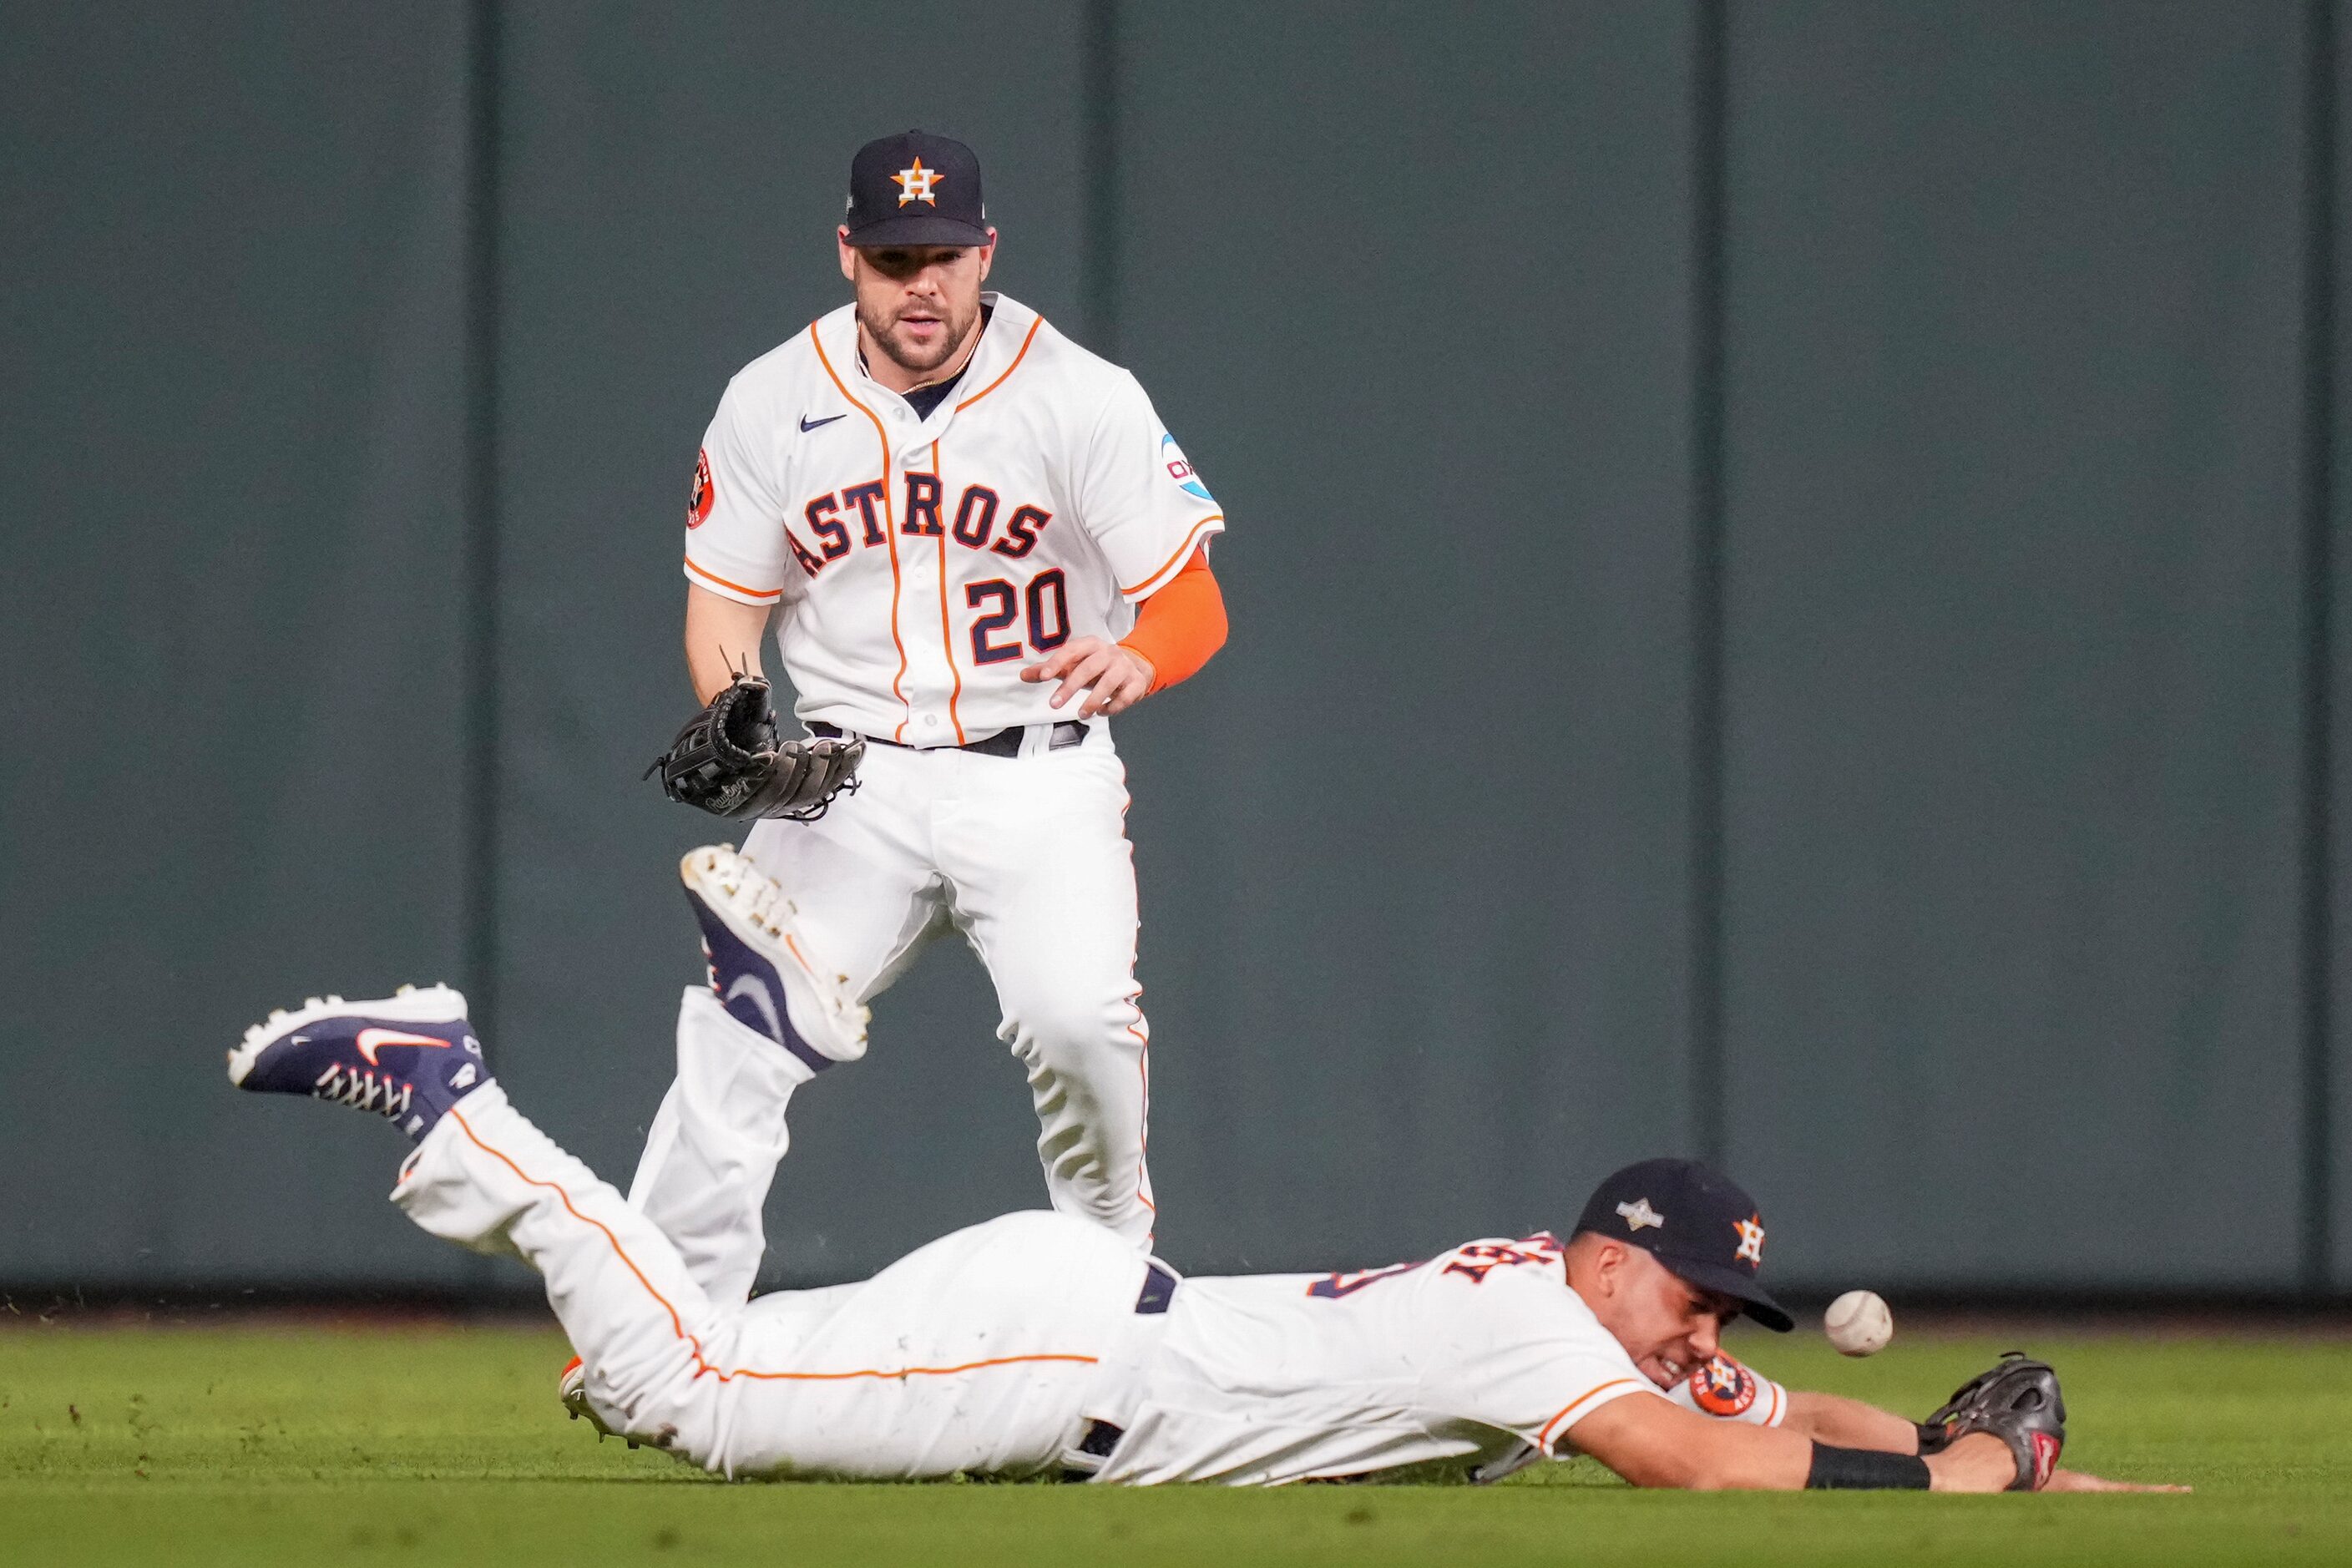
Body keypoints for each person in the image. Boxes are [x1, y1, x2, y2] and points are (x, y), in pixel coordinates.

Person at [227, 848, 2177, 1493]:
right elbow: (1702, 1461)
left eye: (1716, 1312)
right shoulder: (1535, 1330)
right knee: (672, 1385)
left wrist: (1978, 1455)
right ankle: (455, 1100)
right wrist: (1955, 1478)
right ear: (1606, 1261)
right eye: (1688, 1293)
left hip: (1072, 1323)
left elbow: (1769, 1408)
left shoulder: (1573, 1319)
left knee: (663, 1359)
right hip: (1055, 1365)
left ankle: (743, 1032)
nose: (1704, 1332)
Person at [660, 129, 1228, 1252]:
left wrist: (1142, 654)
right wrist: (736, 708)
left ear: (986, 254)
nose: (920, 283)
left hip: (1038, 772)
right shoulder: (768, 399)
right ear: (846, 255)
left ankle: (1110, 1281)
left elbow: (1192, 601)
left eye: (943, 257)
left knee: (1078, 1024)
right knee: (743, 1031)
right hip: (842, 782)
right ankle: (657, 1318)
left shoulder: (1081, 395)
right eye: (892, 257)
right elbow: (727, 601)